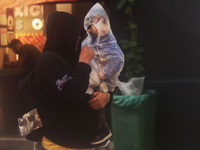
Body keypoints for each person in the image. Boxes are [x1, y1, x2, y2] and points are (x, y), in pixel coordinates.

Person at [34, 11, 113, 150]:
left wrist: (106, 97)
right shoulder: (48, 63)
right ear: (63, 34)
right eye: (74, 33)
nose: (78, 38)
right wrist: (83, 62)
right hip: (60, 143)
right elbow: (74, 93)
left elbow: (102, 82)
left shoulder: (72, 58)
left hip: (83, 141)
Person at [82, 3, 124, 146]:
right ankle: (100, 128)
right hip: (89, 87)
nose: (102, 26)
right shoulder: (85, 44)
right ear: (88, 27)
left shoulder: (111, 43)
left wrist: (105, 73)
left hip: (103, 86)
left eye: (104, 21)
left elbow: (118, 59)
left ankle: (103, 128)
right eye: (97, 23)